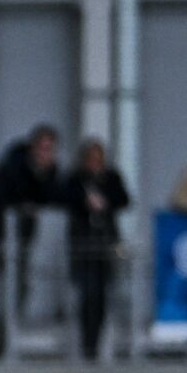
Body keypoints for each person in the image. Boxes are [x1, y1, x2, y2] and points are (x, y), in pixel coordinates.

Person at [0, 124, 64, 357]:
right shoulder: (12, 167)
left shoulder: (49, 171)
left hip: (22, 235)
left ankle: (6, 339)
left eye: (50, 149)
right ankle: (3, 343)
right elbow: (10, 197)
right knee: (14, 283)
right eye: (42, 148)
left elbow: (54, 195)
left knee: (19, 286)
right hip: (0, 232)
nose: (46, 154)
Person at [63, 138, 132, 359]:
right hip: (83, 245)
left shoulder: (111, 178)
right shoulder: (75, 180)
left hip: (106, 243)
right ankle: (87, 343)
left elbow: (124, 199)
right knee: (88, 294)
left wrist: (105, 202)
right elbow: (65, 197)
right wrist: (86, 200)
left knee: (103, 294)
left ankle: (102, 340)